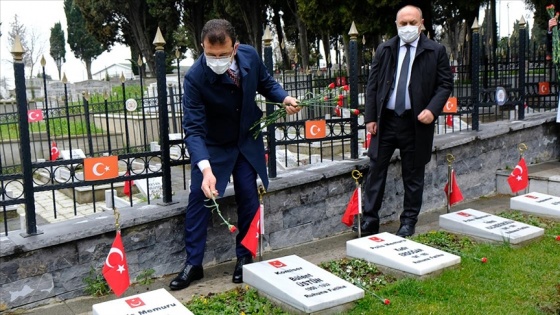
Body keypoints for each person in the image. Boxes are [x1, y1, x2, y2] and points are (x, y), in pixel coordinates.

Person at [170, 19, 300, 290]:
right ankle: (194, 264)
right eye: (210, 54)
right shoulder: (195, 77)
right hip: (215, 145)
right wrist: (206, 170)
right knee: (199, 198)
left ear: (235, 47)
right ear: (202, 47)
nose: (216, 60)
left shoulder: (250, 55)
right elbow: (193, 129)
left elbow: (266, 83)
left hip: (246, 138)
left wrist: (284, 98)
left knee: (248, 195)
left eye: (222, 54)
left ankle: (245, 256)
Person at [354, 5, 453, 237]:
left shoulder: (435, 51)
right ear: (396, 25)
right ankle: (369, 219)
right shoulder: (385, 49)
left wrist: (432, 109)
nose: (408, 27)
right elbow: (372, 85)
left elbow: (445, 84)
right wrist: (370, 117)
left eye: (412, 23)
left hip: (416, 123)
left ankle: (408, 221)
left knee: (413, 174)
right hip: (386, 121)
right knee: (376, 170)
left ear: (422, 23)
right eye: (403, 23)